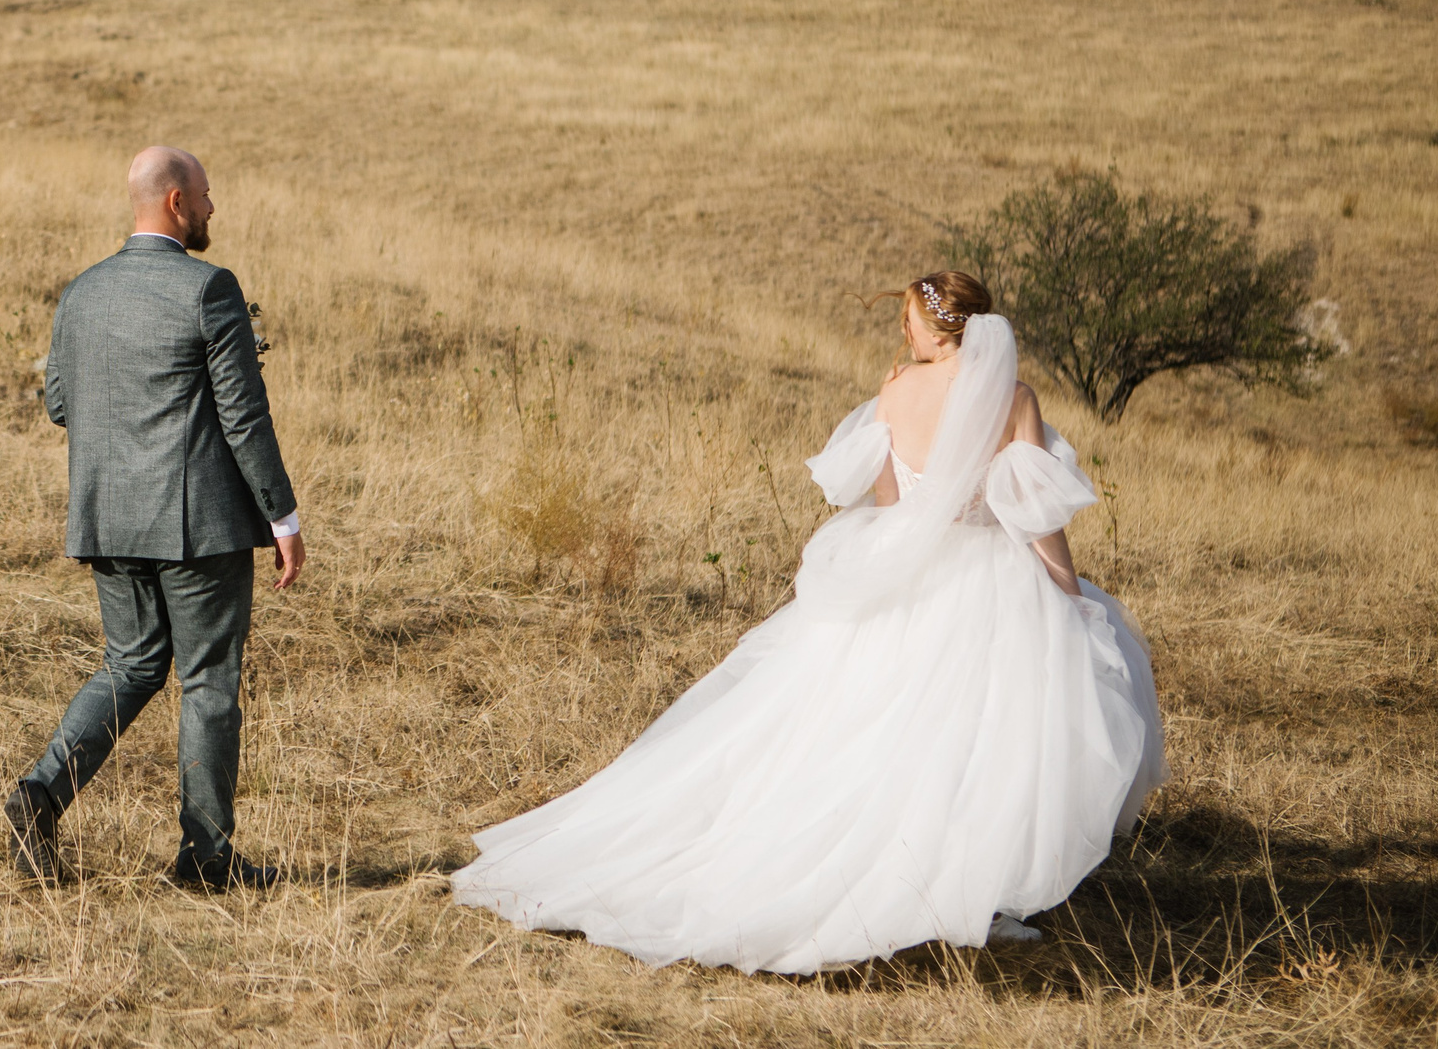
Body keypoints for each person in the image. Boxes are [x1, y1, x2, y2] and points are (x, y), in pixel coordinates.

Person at [452, 271, 1165, 972]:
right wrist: (1068, 592)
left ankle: (931, 884)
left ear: (933, 323)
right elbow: (1035, 515)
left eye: (908, 319)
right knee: (983, 737)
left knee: (879, 728)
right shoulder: (1013, 398)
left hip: (907, 572)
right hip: (993, 575)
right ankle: (969, 891)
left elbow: (890, 505)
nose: (904, 330)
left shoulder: (893, 392)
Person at [2, 146, 306, 890]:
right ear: (174, 202)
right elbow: (242, 414)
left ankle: (39, 794)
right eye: (204, 195)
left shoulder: (82, 292)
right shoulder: (210, 290)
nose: (211, 208)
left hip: (108, 517)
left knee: (132, 663)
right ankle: (206, 858)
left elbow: (60, 404)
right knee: (208, 679)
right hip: (198, 525)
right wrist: (283, 515)